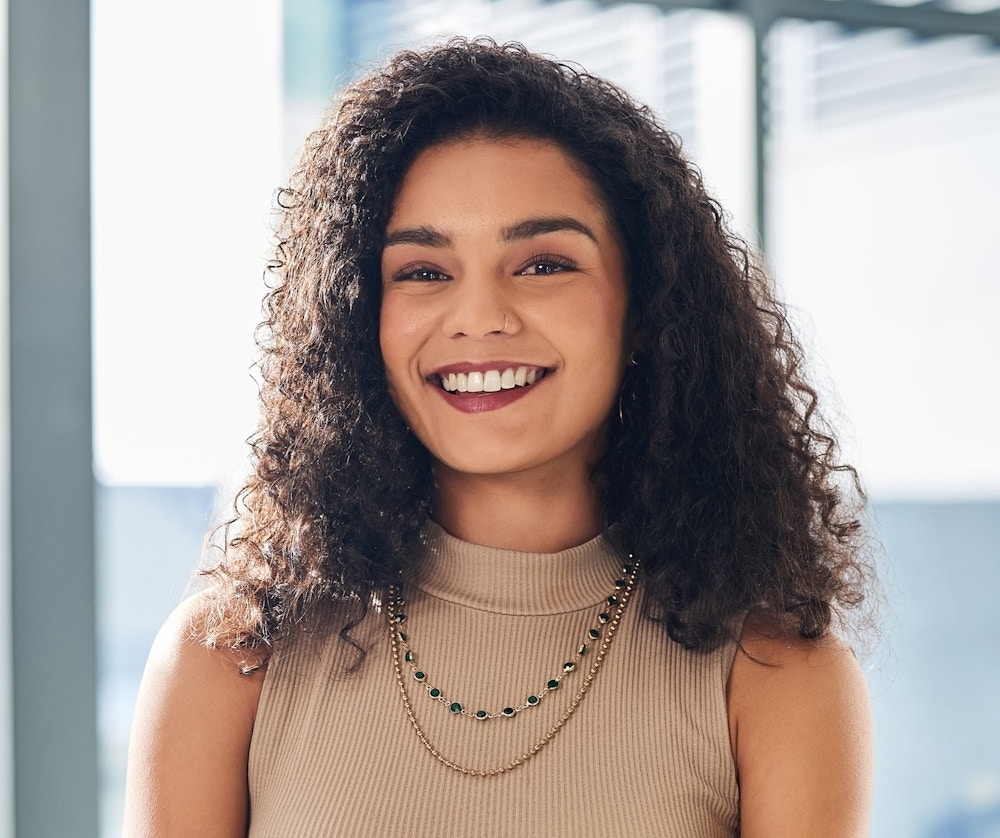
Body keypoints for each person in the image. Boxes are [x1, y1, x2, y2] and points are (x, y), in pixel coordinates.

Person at [123, 38, 875, 837]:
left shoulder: (774, 679)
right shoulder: (231, 662)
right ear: (357, 322)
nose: (479, 316)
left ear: (649, 312)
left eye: (544, 264)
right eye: (421, 271)